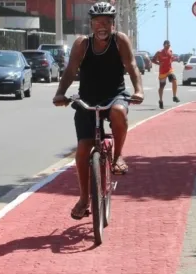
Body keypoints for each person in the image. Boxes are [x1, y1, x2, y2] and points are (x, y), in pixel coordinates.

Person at [52, 1, 144, 220]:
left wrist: (138, 90)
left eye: (107, 22)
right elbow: (70, 70)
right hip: (87, 100)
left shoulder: (120, 40)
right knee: (83, 149)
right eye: (97, 22)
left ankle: (118, 155)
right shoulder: (82, 44)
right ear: (91, 24)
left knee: (118, 113)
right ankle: (85, 199)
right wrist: (60, 93)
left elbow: (131, 66)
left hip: (115, 96)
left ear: (113, 24)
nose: (102, 26)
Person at [152, 40, 180, 109]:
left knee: (174, 80)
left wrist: (174, 59)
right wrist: (159, 63)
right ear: (164, 45)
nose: (168, 47)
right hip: (162, 72)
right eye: (167, 45)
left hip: (169, 70)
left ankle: (174, 96)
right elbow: (153, 60)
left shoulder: (170, 52)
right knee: (162, 87)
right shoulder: (159, 52)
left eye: (169, 45)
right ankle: (161, 101)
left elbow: (171, 58)